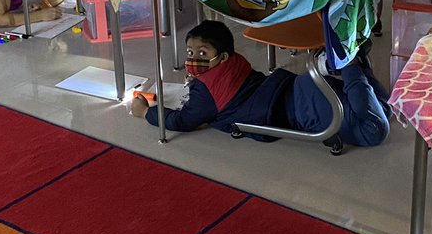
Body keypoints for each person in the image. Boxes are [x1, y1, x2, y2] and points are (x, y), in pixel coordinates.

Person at [129, 20, 391, 148]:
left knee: (373, 131)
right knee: (382, 109)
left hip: (300, 110)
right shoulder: (236, 62)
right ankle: (353, 64)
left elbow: (182, 121)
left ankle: (351, 65)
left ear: (221, 57)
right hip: (296, 88)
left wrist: (146, 112)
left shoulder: (205, 91)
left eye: (202, 54)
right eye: (190, 53)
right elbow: (225, 85)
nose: (193, 59)